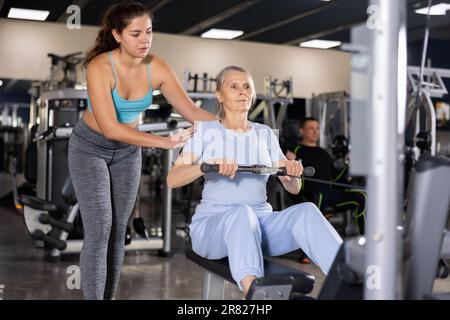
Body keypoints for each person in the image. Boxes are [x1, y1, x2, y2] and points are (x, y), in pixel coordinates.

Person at [68, 0, 216, 300]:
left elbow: (192, 111)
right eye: (135, 34)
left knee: (119, 230)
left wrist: (241, 129)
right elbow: (110, 127)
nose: (144, 40)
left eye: (149, 31)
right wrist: (165, 142)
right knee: (100, 228)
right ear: (117, 35)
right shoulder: (100, 66)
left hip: (127, 152)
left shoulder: (157, 66)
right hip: (89, 148)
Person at [167, 66, 342, 298]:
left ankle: (351, 281)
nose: (242, 92)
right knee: (242, 213)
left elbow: (293, 187)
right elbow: (172, 179)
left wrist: (291, 173)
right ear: (220, 94)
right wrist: (205, 165)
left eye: (247, 86)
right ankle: (256, 293)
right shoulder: (205, 132)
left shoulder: (265, 133)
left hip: (261, 227)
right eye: (234, 86)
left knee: (308, 212)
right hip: (213, 228)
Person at [285, 117, 366, 235]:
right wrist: (289, 159)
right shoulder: (296, 151)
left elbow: (335, 179)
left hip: (328, 196)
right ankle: (309, 244)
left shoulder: (324, 153)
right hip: (308, 197)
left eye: (317, 128)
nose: (315, 131)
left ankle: (366, 242)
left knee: (361, 197)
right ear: (302, 131)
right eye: (311, 128)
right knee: (319, 195)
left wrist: (347, 166)